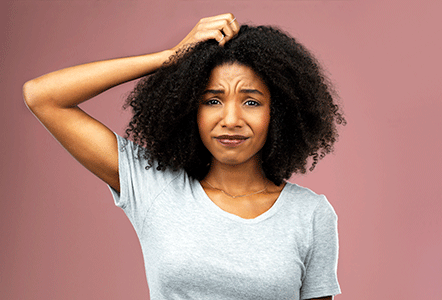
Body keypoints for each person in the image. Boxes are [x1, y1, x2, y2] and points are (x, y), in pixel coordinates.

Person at [23, 13, 345, 300]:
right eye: (212, 101)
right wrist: (169, 58)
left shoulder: (311, 216)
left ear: (279, 112)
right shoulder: (154, 186)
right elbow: (42, 96)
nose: (230, 119)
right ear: (190, 109)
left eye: (251, 102)